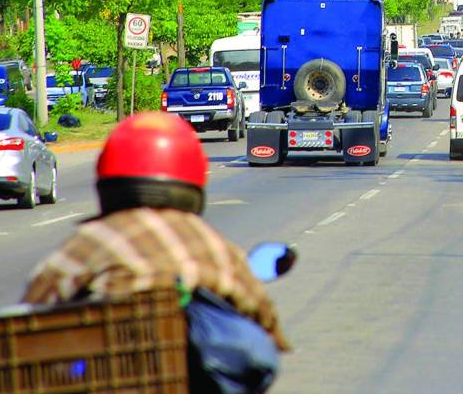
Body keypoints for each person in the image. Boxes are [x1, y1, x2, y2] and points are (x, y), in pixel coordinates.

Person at [21, 111, 288, 354]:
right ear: (192, 177)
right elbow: (260, 312)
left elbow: (33, 308)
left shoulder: (91, 241)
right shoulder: (208, 243)